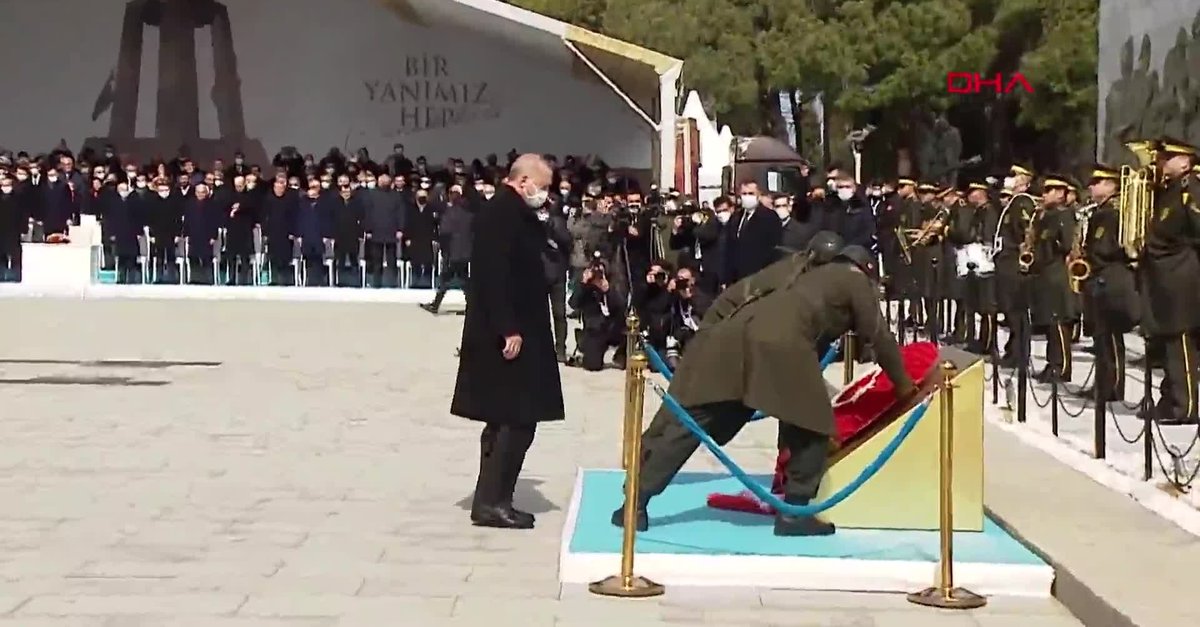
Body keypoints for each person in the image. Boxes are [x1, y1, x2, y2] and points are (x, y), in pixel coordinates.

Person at [613, 244, 915, 536]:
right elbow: (879, 336)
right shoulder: (854, 279)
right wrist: (904, 386)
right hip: (781, 345)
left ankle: (635, 502)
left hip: (738, 336)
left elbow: (735, 297)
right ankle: (793, 513)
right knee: (813, 428)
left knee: (697, 422)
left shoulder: (804, 272)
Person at [451, 154, 565, 530]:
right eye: (542, 186)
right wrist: (508, 328)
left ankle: (496, 497)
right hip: (508, 332)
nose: (544, 194)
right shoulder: (501, 214)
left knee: (508, 419)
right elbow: (493, 275)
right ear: (524, 180)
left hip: (521, 325)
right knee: (515, 419)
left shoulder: (518, 213)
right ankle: (492, 501)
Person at [1139, 137, 1200, 424]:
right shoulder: (1168, 191)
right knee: (1166, 341)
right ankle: (1169, 399)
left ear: (1186, 162)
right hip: (1163, 278)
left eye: (1168, 157)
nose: (1161, 162)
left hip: (1180, 277)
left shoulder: (1191, 191)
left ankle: (1184, 406)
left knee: (1180, 341)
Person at [1077, 164, 1139, 403]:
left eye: (1097, 183)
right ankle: (1102, 383)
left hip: (1111, 278)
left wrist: (1089, 255)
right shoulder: (1100, 212)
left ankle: (1111, 386)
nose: (1091, 187)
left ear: (1111, 185)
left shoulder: (1114, 213)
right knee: (1101, 337)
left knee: (1110, 337)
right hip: (1100, 278)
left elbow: (1107, 247)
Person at [1028, 175, 1077, 383]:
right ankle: (1051, 363)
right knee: (1050, 322)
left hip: (1057, 272)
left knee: (1058, 322)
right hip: (1045, 274)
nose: (1044, 195)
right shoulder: (1044, 217)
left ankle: (1061, 366)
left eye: (1048, 191)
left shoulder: (1063, 215)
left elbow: (1066, 244)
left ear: (1059, 193)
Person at [569, 256, 628, 371]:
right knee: (593, 366)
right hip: (595, 331)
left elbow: (622, 306)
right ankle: (584, 344)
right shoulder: (586, 288)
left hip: (614, 328)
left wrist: (608, 291)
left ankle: (620, 355)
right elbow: (573, 304)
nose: (597, 275)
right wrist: (583, 284)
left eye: (600, 271)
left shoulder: (614, 283)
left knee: (632, 331)